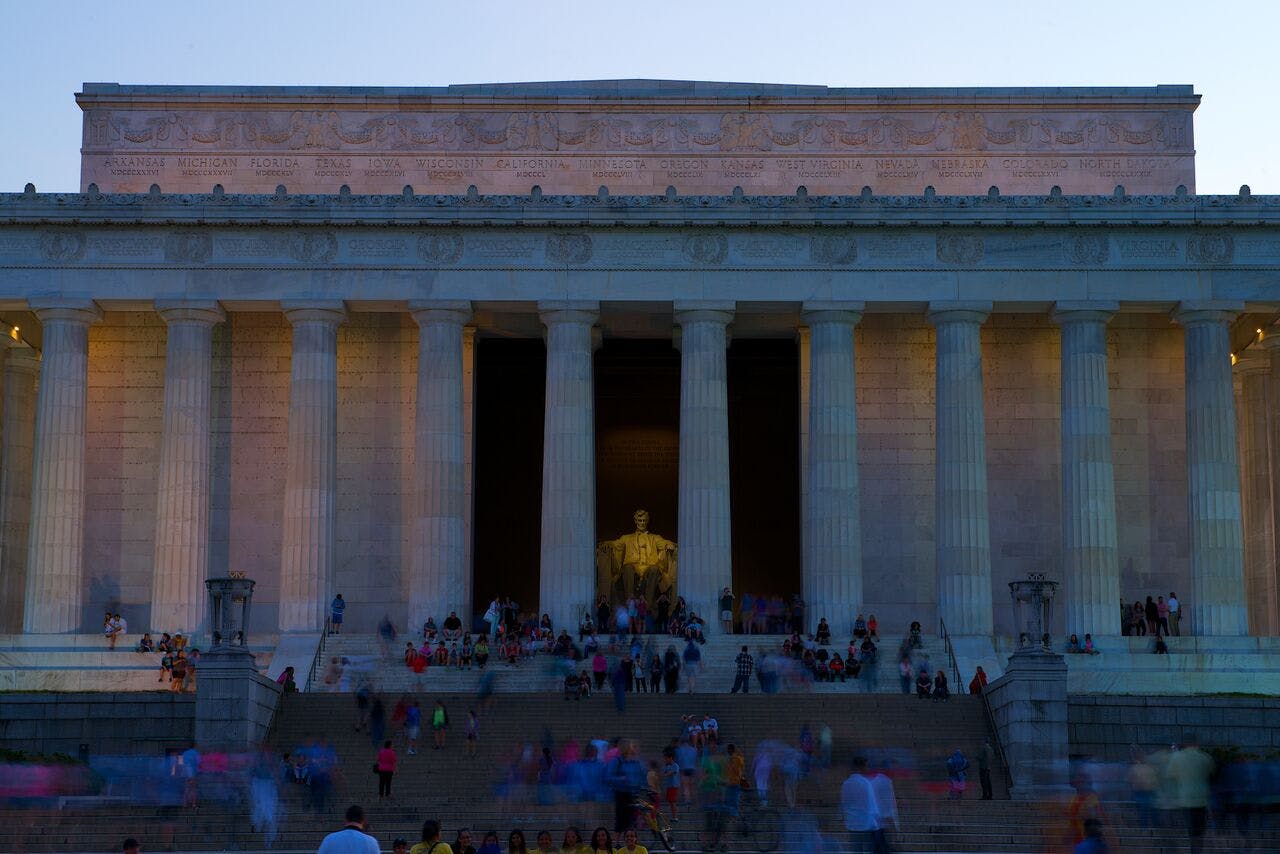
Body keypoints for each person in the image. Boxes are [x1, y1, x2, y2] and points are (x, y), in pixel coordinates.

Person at [1166, 733, 1214, 854]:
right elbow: (1211, 773)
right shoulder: (1205, 757)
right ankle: (1197, 850)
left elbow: (1171, 775)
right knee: (1199, 831)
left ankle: (1194, 849)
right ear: (1196, 743)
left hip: (1185, 799)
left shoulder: (1177, 757)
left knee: (1191, 829)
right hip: (1201, 800)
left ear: (1184, 744)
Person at [840, 756, 880, 854]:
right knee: (867, 849)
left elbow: (844, 803)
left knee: (855, 849)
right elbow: (872, 806)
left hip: (852, 823)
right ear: (861, 767)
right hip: (865, 824)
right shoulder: (866, 783)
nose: (867, 769)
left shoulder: (846, 783)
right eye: (866, 766)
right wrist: (876, 820)